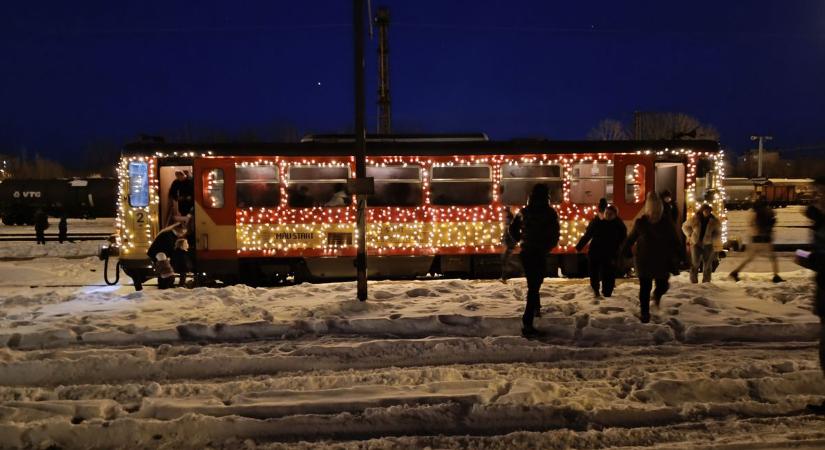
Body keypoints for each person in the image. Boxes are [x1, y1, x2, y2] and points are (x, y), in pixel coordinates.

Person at [509, 184, 560, 337]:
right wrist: (548, 247)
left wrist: (521, 241)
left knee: (533, 284)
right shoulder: (550, 213)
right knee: (535, 285)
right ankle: (528, 323)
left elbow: (512, 229)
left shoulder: (524, 211)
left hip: (526, 252)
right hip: (540, 252)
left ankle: (535, 310)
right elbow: (555, 234)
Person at [623, 192, 681, 323]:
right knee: (645, 288)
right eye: (652, 213)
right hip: (644, 260)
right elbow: (630, 239)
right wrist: (623, 253)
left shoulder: (666, 223)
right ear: (648, 211)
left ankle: (656, 296)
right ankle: (645, 313)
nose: (655, 216)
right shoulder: (641, 223)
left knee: (663, 285)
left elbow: (675, 241)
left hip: (662, 260)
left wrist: (680, 256)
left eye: (657, 213)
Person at [729, 194, 784, 283]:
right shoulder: (766, 211)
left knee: (749, 258)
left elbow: (751, 224)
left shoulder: (752, 212)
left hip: (754, 239)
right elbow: (771, 222)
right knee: (773, 258)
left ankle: (735, 272)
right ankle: (776, 276)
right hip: (764, 238)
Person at [576, 204, 627, 297]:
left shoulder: (619, 225)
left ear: (615, 215)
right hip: (595, 251)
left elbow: (624, 239)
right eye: (606, 213)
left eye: (610, 214)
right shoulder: (597, 222)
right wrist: (579, 247)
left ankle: (607, 293)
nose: (608, 215)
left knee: (608, 274)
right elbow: (588, 235)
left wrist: (624, 251)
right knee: (594, 273)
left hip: (610, 253)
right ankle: (596, 290)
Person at [682, 204, 723, 283]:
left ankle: (706, 281)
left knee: (707, 264)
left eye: (709, 211)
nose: (707, 212)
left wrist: (713, 239)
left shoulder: (714, 221)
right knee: (695, 263)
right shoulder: (695, 219)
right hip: (696, 243)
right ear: (702, 210)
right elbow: (685, 226)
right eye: (705, 211)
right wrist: (690, 235)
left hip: (708, 244)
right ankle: (693, 281)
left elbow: (718, 232)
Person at [148, 223, 186, 287]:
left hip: (157, 254)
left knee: (164, 272)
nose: (183, 234)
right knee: (167, 273)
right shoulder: (169, 235)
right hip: (159, 254)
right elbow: (170, 248)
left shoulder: (168, 234)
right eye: (183, 232)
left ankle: (163, 286)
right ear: (179, 230)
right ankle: (165, 286)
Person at [500, 205, 516, 283]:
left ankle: (504, 277)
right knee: (506, 260)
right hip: (510, 244)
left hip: (510, 244)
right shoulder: (510, 220)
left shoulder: (508, 221)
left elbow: (508, 233)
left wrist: (504, 241)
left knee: (505, 260)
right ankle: (504, 277)